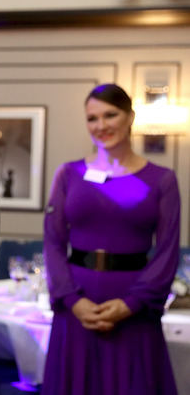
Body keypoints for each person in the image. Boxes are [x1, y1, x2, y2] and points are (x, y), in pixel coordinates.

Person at [42, 83, 179, 394]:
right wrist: (73, 301)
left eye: (110, 115)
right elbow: (52, 241)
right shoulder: (68, 174)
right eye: (92, 118)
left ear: (130, 117)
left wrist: (132, 304)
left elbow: (168, 250)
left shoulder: (162, 180)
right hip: (78, 303)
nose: (100, 125)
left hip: (133, 304)